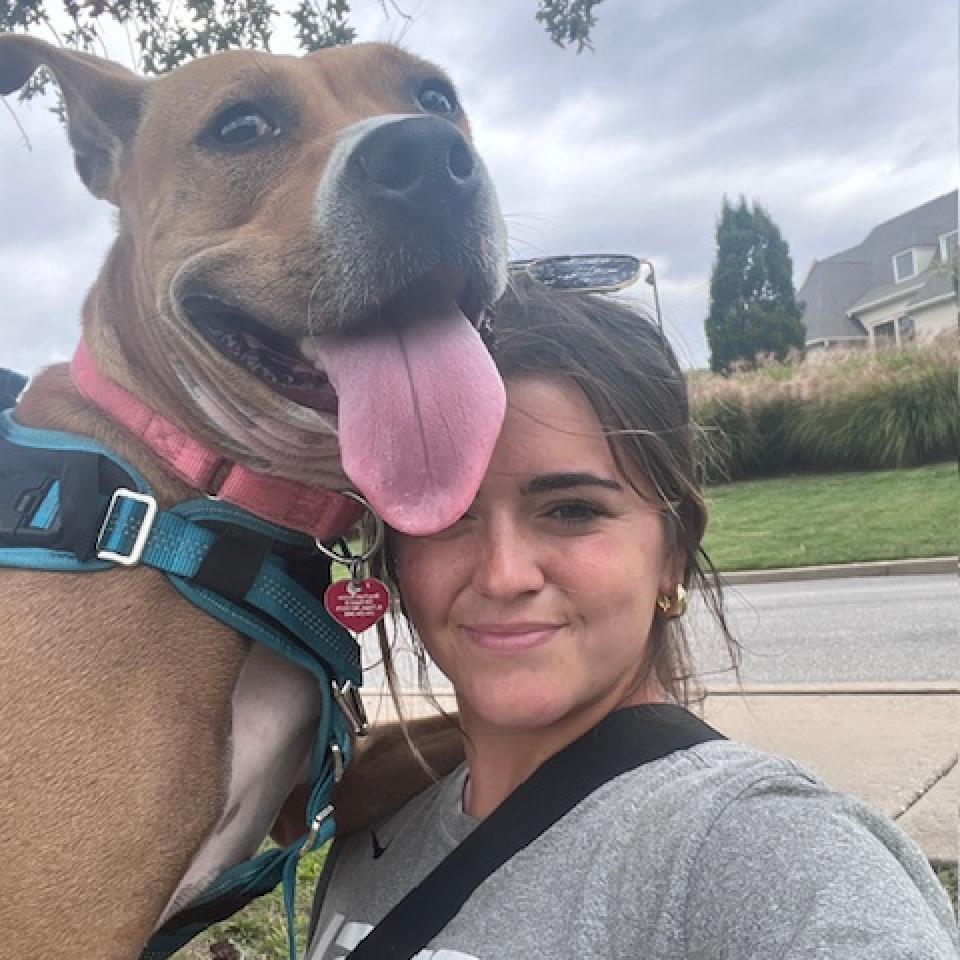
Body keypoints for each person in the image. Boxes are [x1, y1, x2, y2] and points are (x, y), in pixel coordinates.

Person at [307, 278, 959, 959]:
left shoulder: (762, 851)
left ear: (671, 555)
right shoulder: (375, 831)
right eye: (447, 515)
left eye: (572, 511)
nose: (503, 574)